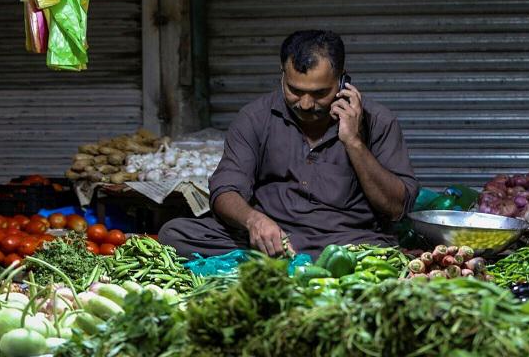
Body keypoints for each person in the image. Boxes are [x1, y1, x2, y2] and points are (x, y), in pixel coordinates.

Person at [159, 30, 419, 258]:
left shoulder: (378, 121)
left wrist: (354, 141)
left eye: (319, 93)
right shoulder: (255, 117)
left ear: (342, 80)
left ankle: (297, 266)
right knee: (175, 233)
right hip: (272, 241)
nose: (305, 104)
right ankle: (292, 263)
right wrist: (254, 221)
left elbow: (396, 209)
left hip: (347, 242)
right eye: (295, 90)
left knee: (383, 254)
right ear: (282, 75)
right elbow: (224, 190)